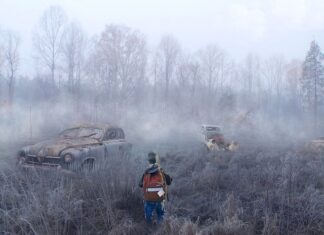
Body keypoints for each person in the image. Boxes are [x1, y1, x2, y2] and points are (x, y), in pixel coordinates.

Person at [139, 152, 172, 224]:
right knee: (161, 214)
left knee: (148, 215)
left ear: (148, 161)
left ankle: (149, 227)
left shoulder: (146, 172)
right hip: (160, 196)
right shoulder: (161, 171)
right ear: (156, 160)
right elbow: (169, 182)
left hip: (149, 198)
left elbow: (140, 185)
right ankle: (160, 228)